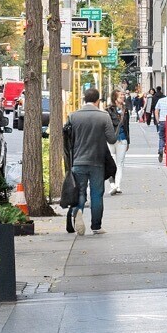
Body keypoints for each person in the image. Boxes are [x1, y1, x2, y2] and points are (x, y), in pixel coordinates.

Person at [62, 86, 117, 234]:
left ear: (84, 99)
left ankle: (77, 212)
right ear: (98, 100)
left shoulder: (73, 116)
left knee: (79, 192)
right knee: (96, 194)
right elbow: (112, 139)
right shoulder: (103, 116)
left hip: (78, 161)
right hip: (97, 162)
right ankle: (96, 226)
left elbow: (68, 140)